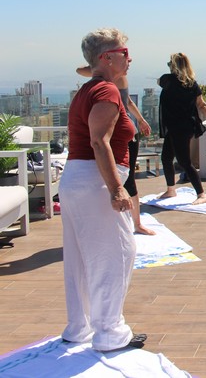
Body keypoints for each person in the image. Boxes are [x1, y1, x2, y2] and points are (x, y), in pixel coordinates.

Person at [60, 28, 147, 351]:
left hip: (77, 181)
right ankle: (110, 333)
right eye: (123, 53)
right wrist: (116, 190)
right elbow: (99, 142)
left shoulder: (88, 89)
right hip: (94, 183)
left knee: (81, 258)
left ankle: (78, 327)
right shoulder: (106, 91)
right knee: (116, 254)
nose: (129, 58)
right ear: (106, 58)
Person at [76, 66, 155, 235]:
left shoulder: (116, 79)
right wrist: (141, 120)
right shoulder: (108, 82)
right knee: (112, 180)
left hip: (123, 136)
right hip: (112, 134)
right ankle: (126, 223)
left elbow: (81, 70)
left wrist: (140, 120)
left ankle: (136, 223)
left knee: (128, 181)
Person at [158, 53, 206, 204]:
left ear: (173, 65)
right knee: (166, 157)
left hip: (179, 127)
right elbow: (202, 104)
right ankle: (171, 189)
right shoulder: (192, 84)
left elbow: (159, 81)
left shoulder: (167, 80)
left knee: (184, 161)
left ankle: (201, 194)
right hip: (181, 126)